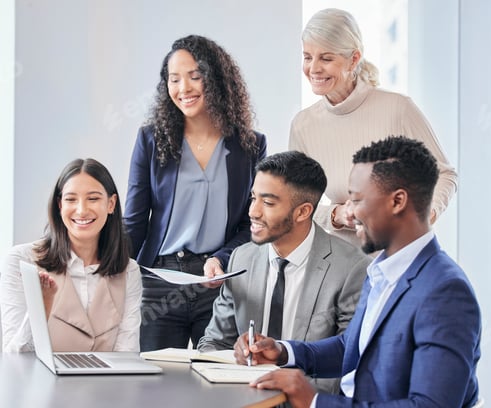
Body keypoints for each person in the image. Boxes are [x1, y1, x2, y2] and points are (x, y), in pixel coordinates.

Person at [235, 136, 481, 407]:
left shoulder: (444, 291)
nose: (347, 213)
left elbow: (431, 406)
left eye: (356, 199)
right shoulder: (382, 271)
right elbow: (351, 348)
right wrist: (283, 352)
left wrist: (316, 402)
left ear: (397, 201)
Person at [123, 34, 267, 351]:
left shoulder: (250, 146)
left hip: (217, 280)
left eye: (194, 76)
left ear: (214, 79)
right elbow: (133, 221)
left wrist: (221, 258)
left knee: (218, 387)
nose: (183, 89)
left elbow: (252, 223)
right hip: (159, 282)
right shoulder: (151, 140)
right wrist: (107, 271)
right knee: (155, 387)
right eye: (174, 79)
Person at [198, 151, 370, 394]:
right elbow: (212, 344)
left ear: (302, 212)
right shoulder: (240, 258)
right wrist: (234, 362)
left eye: (268, 203)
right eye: (253, 198)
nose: (253, 212)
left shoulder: (351, 268)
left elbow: (348, 360)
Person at [289, 8, 458, 246]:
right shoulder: (303, 125)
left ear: (354, 59)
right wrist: (336, 215)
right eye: (308, 57)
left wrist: (420, 221)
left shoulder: (398, 108)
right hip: (343, 266)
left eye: (326, 58)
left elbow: (444, 174)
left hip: (402, 254)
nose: (314, 68)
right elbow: (297, 204)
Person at [1, 158, 142, 352]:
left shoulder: (129, 270)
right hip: (40, 382)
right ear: (60, 205)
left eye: (93, 199)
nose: (82, 210)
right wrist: (39, 309)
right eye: (70, 199)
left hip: (108, 383)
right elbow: (15, 357)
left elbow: (127, 355)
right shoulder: (20, 260)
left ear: (111, 204)